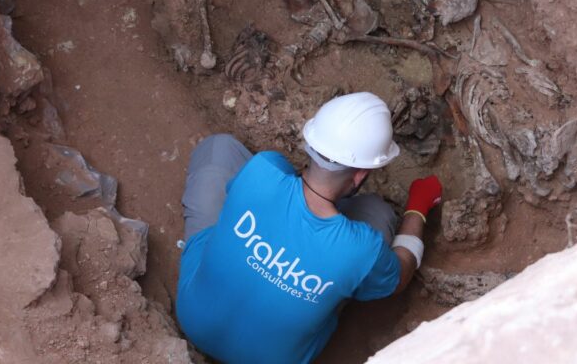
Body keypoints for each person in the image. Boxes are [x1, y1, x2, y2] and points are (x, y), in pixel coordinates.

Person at [176, 92, 442, 363]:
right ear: (361, 174)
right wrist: (417, 209)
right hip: (271, 359)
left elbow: (241, 195)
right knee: (378, 213)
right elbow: (400, 276)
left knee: (220, 148)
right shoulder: (362, 246)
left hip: (194, 319)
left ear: (312, 143)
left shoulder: (264, 168)